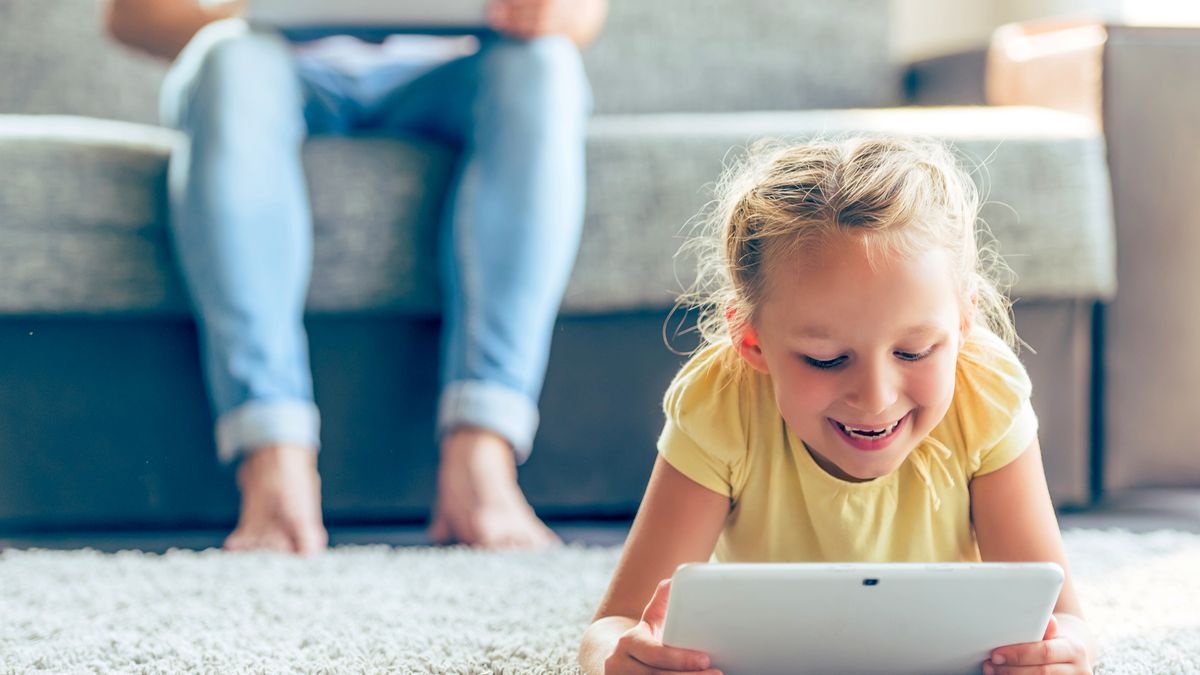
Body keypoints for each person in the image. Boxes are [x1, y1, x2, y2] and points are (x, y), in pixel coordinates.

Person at [104, 0, 608, 553]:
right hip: (270, 60)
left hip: (461, 67)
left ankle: (483, 454)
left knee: (544, 65)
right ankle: (273, 460)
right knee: (227, 58)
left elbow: (580, 17)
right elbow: (130, 15)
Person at [578, 137, 1095, 674]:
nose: (875, 397)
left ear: (963, 325)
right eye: (825, 359)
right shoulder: (721, 401)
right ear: (753, 343)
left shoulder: (984, 393)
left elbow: (1065, 622)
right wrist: (619, 661)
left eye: (913, 352)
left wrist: (1066, 657)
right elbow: (613, 627)